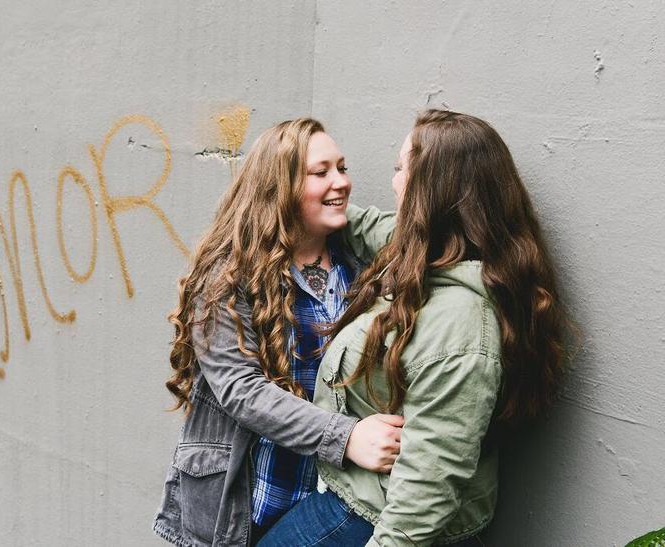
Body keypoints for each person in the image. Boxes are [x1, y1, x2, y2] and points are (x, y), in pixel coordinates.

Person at [258, 109, 569, 546]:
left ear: (433, 190)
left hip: (374, 517)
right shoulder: (430, 254)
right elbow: (365, 226)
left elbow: (428, 484)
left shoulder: (460, 327)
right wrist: (292, 201)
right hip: (355, 491)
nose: (394, 183)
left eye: (401, 169)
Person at [153, 118, 406, 547]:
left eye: (342, 168)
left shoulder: (360, 264)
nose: (342, 182)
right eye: (321, 172)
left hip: (332, 498)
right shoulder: (228, 275)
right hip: (249, 500)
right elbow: (241, 390)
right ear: (280, 187)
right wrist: (346, 437)